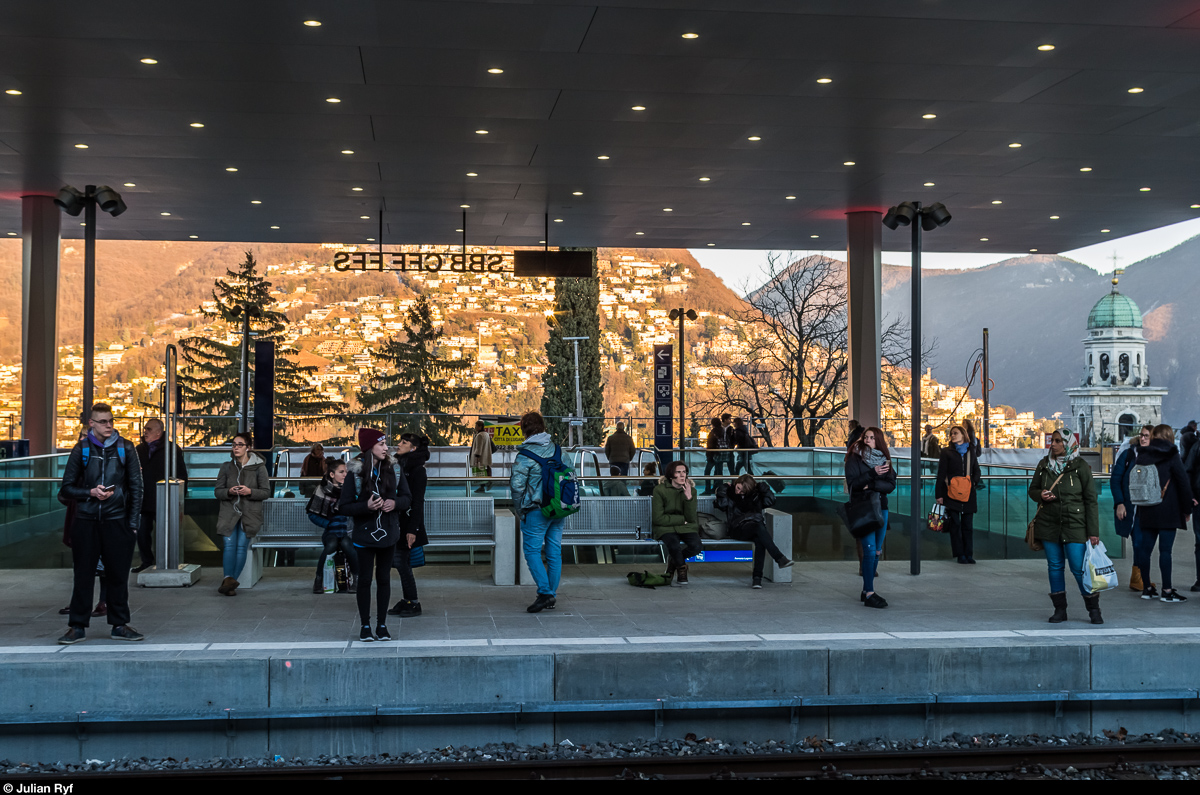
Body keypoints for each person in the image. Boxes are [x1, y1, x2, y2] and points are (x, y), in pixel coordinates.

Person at [56, 403, 145, 645]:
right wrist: (91, 492)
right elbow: (66, 488)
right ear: (91, 424)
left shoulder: (126, 448)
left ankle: (119, 624)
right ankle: (77, 626)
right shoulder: (81, 449)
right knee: (83, 575)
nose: (109, 425)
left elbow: (137, 488)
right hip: (86, 521)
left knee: (118, 576)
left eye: (110, 421)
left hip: (117, 522)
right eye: (103, 421)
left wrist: (133, 524)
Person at [340, 428, 410, 641]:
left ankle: (381, 625)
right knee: (364, 580)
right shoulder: (355, 473)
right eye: (381, 444)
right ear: (369, 448)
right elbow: (344, 506)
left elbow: (408, 499)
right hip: (364, 536)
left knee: (384, 579)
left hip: (388, 534)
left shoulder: (395, 470)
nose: (386, 448)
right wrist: (367, 506)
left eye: (385, 444)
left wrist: (394, 503)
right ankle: (364, 626)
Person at [1029, 427, 1103, 624]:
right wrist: (1041, 494)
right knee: (1054, 566)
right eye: (1052, 441)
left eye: (1058, 441)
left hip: (1075, 524)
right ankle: (1060, 610)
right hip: (1049, 523)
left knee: (1078, 569)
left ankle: (1093, 609)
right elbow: (1033, 489)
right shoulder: (1044, 464)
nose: (1053, 444)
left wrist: (1093, 531)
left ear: (1068, 444)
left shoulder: (1080, 466)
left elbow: (1091, 500)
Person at [510, 411, 565, 613]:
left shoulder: (525, 456)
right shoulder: (559, 450)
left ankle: (545, 593)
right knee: (554, 552)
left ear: (523, 429)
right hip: (558, 509)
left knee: (532, 551)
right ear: (543, 427)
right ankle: (551, 594)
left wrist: (519, 511)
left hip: (535, 509)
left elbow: (517, 487)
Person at [1133, 424, 1195, 603]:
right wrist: (1187, 509)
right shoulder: (1172, 455)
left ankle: (1147, 588)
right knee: (1165, 551)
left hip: (1146, 507)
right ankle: (1167, 591)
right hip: (1168, 509)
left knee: (1145, 549)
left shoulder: (1142, 455)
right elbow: (1183, 482)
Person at [57, 427, 109, 620]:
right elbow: (65, 489)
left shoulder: (105, 462)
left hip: (100, 517)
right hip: (79, 516)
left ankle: (104, 601)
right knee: (81, 564)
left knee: (102, 564)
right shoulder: (77, 462)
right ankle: (80, 603)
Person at [845, 426, 897, 608]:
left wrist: (872, 484)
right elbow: (854, 484)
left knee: (876, 552)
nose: (868, 440)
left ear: (879, 441)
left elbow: (891, 485)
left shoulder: (884, 458)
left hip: (881, 508)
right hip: (864, 508)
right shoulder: (854, 457)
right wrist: (873, 473)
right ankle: (869, 593)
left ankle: (867, 588)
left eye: (872, 438)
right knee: (868, 551)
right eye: (865, 437)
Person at [214, 432, 270, 597]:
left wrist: (249, 491)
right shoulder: (226, 467)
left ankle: (230, 583)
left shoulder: (259, 467)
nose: (236, 448)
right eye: (233, 445)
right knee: (229, 546)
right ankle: (228, 582)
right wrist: (229, 491)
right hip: (229, 513)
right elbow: (217, 492)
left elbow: (266, 492)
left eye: (240, 444)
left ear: (248, 447)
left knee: (241, 547)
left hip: (249, 513)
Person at [715, 474, 792, 588]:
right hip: (737, 529)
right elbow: (721, 505)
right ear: (737, 483)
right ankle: (779, 557)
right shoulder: (730, 492)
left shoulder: (756, 495)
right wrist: (722, 489)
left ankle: (757, 579)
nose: (738, 492)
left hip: (754, 528)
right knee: (759, 528)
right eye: (738, 488)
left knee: (760, 540)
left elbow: (770, 501)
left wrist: (764, 488)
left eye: (742, 491)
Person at [132, 418, 188, 573]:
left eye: (149, 429)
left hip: (164, 499)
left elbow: (181, 474)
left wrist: (179, 499)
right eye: (145, 429)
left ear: (159, 432)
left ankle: (167, 563)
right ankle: (147, 562)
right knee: (142, 534)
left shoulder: (171, 450)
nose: (145, 432)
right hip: (144, 500)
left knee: (166, 534)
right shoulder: (140, 449)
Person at [389, 432, 430, 618]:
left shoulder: (417, 470)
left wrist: (413, 529)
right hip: (397, 520)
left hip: (408, 523)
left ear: (413, 448)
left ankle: (413, 601)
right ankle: (408, 600)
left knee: (400, 561)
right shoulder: (397, 465)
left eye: (403, 442)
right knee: (401, 562)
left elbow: (418, 501)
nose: (398, 444)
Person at [1111, 425, 1155, 594]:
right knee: (1138, 541)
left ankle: (1141, 575)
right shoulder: (1128, 454)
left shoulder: (1158, 457)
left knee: (1147, 543)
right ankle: (1138, 577)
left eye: (1147, 436)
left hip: (1150, 507)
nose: (1143, 438)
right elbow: (1115, 480)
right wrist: (1120, 503)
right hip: (1133, 507)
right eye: (1142, 435)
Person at [306, 457, 356, 595]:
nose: (345, 474)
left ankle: (357, 579)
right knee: (331, 545)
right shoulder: (321, 489)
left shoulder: (351, 489)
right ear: (332, 474)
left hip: (349, 530)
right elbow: (312, 514)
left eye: (346, 471)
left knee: (347, 545)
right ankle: (319, 579)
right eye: (341, 472)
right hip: (331, 530)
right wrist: (328, 523)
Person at [935, 425, 982, 564]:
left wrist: (972, 483)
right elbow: (941, 474)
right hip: (951, 493)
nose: (953, 435)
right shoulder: (946, 452)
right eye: (951, 434)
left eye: (956, 433)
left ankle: (969, 554)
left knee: (967, 525)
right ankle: (960, 554)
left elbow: (976, 470)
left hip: (968, 493)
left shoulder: (971, 450)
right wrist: (939, 495)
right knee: (955, 524)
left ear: (963, 434)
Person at [652, 460, 701, 586]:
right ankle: (681, 569)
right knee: (674, 546)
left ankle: (673, 561)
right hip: (665, 528)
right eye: (678, 472)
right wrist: (681, 520)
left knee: (696, 547)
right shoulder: (660, 490)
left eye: (684, 472)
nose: (682, 475)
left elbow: (690, 518)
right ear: (671, 475)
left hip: (686, 527)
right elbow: (658, 518)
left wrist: (688, 497)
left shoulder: (692, 491)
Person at [701, 418, 727, 495]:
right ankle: (718, 489)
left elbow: (710, 444)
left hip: (712, 455)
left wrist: (709, 454)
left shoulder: (713, 432)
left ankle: (708, 490)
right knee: (718, 472)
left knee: (707, 472)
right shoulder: (723, 431)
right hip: (720, 455)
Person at [469, 420, 495, 493]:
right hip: (486, 456)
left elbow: (479, 447)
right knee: (485, 471)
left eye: (476, 426)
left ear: (480, 426)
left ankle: (482, 486)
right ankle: (488, 482)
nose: (475, 427)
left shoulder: (479, 435)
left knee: (481, 473)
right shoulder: (486, 434)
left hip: (480, 457)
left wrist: (477, 457)